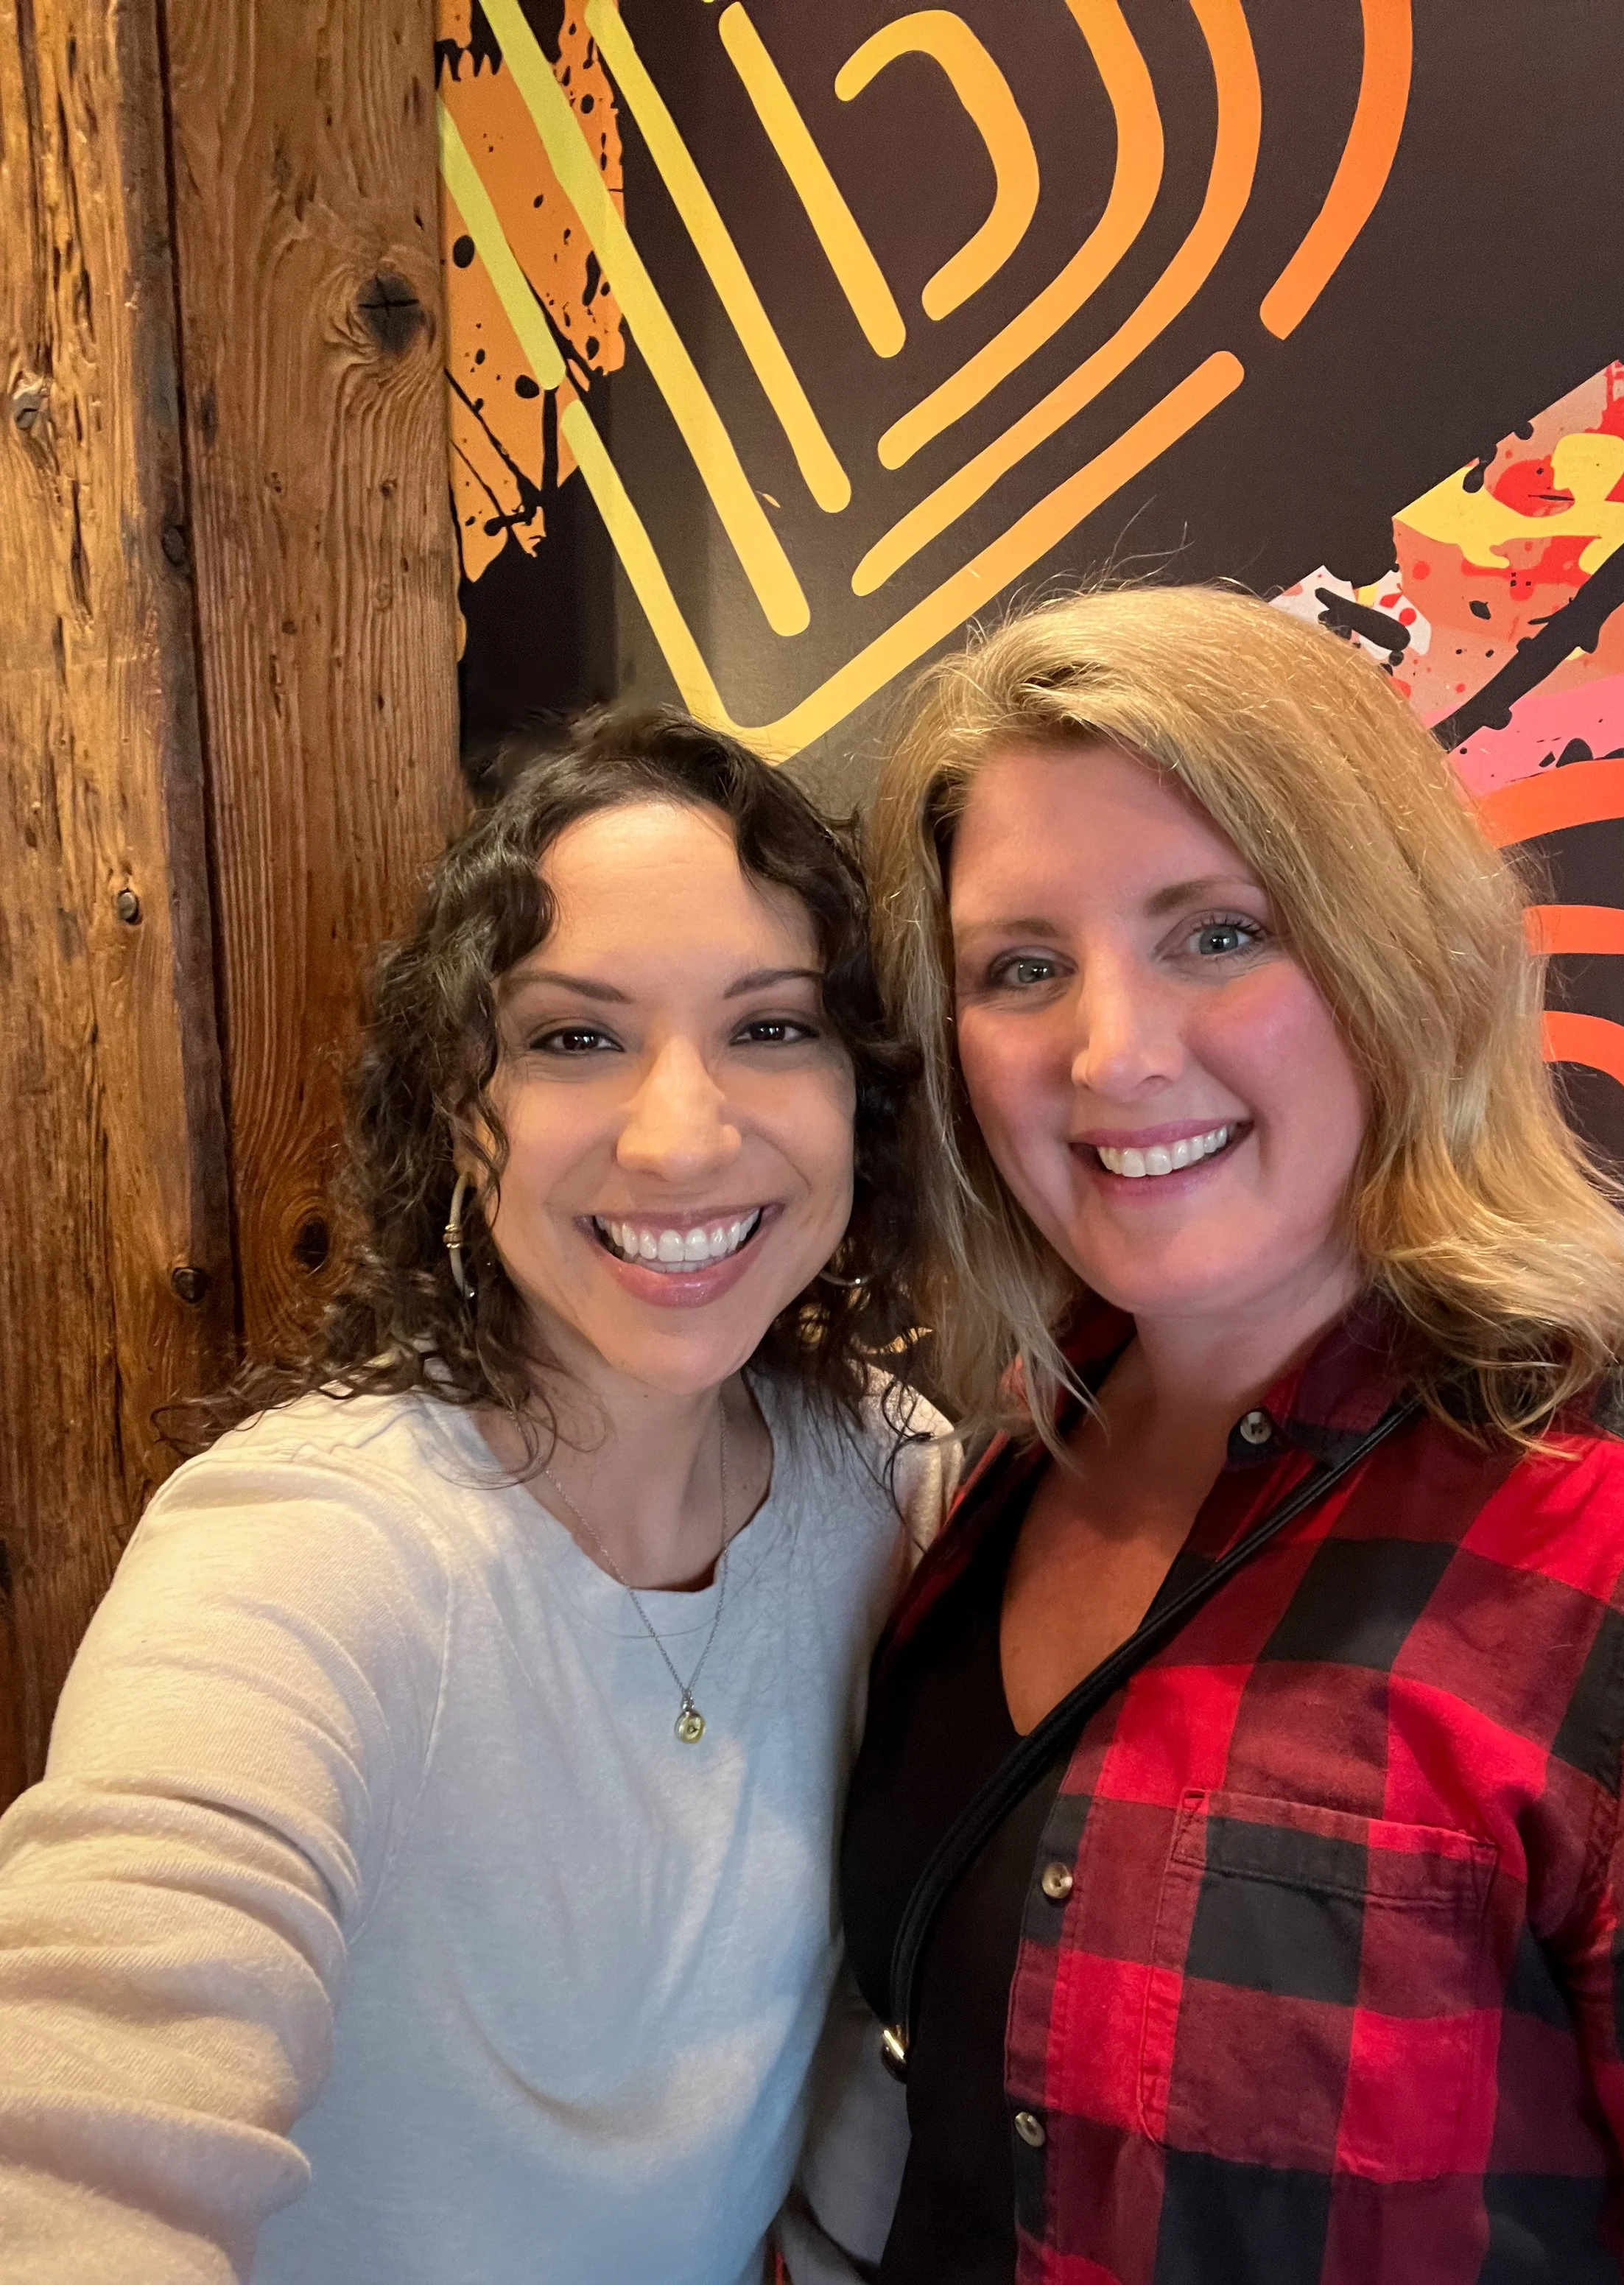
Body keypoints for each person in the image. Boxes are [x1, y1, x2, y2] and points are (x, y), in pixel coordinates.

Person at [834, 587, 1624, 2284]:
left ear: (1393, 957)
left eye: (1215, 935)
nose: (1111, 1054)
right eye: (1022, 968)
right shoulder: (1004, 1467)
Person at [0, 709, 952, 2285]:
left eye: (772, 1027)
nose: (681, 1137)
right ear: (460, 1116)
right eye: (574, 1038)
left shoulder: (891, 1484)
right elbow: (92, 2072)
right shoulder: (306, 1544)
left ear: (860, 1092)